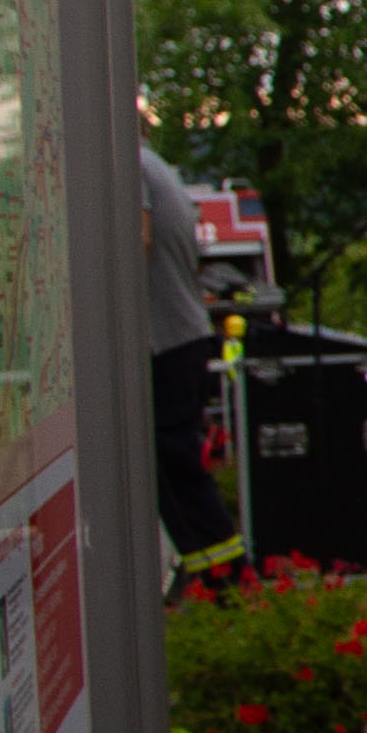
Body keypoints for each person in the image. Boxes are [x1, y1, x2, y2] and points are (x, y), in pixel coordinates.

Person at [136, 103, 235, 574]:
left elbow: (137, 240)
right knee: (173, 465)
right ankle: (216, 572)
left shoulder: (127, 164)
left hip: (166, 340)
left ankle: (222, 577)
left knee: (173, 464)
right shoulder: (155, 164)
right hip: (182, 336)